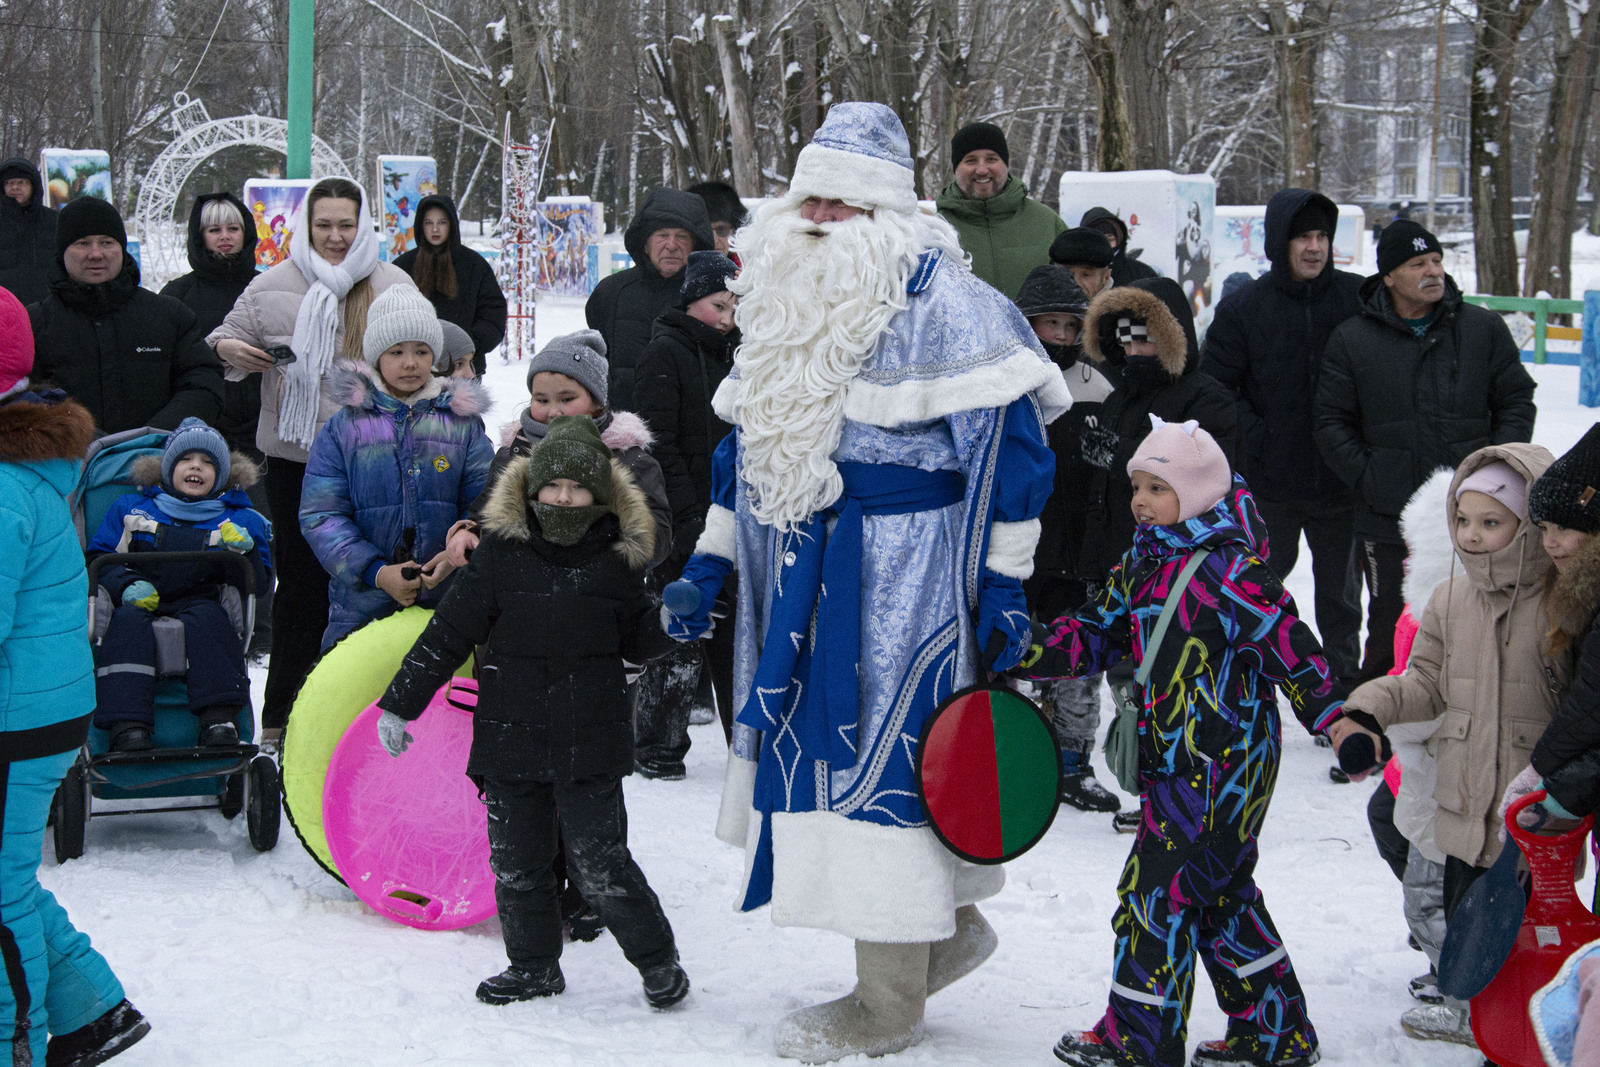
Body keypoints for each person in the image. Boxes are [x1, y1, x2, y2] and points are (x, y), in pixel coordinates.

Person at [662, 102, 1068, 1062]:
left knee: (894, 766)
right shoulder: (779, 295)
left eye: (840, 204)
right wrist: (711, 557)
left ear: (886, 210)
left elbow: (1015, 452)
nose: (818, 219)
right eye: (808, 200)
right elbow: (747, 446)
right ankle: (938, 938)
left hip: (906, 578)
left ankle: (888, 1000)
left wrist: (1006, 583)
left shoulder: (954, 304)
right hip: (799, 568)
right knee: (830, 762)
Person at [1013, 417, 1353, 1067]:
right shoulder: (1143, 562)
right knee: (1220, 896)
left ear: (1195, 494)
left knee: (1155, 896)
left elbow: (1292, 649)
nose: (1140, 501)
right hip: (1176, 763)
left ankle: (1139, 1042)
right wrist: (1025, 649)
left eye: (1157, 488)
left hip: (1224, 766)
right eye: (1137, 486)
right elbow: (1095, 633)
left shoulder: (1233, 572)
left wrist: (1337, 719)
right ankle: (1276, 1033)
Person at [375, 415, 689, 1009]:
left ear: (600, 495)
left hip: (589, 740)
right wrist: (400, 704)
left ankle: (657, 962)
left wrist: (672, 625)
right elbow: (448, 633)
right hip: (509, 737)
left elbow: (637, 639)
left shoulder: (618, 560)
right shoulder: (501, 553)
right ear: (532, 487)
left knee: (600, 865)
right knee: (518, 864)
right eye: (553, 486)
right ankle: (533, 967)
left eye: (578, 488)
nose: (563, 498)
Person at [1334, 445, 1563, 1045]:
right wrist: (1367, 709)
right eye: (1462, 520)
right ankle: (1476, 1018)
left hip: (1530, 809)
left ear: (1531, 523)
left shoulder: (1561, 604)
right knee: (1469, 923)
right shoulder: (1451, 598)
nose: (1472, 535)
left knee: (1528, 929)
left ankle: (1532, 1027)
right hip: (1463, 801)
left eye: (1491, 521)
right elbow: (1424, 683)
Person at [0, 284, 150, 1067]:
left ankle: (12, 1043)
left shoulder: (1, 486)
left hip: (15, 718)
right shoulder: (21, 468)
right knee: (7, 879)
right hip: (37, 706)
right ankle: (93, 1011)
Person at [208, 176, 413, 743]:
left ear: (363, 225)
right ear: (306, 225)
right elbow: (223, 338)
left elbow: (423, 353)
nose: (335, 236)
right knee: (301, 587)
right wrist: (231, 349)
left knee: (372, 579)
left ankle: (365, 711)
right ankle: (283, 717)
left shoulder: (391, 283)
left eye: (346, 224)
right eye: (324, 225)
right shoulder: (273, 283)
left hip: (374, 460)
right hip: (297, 460)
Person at [1315, 219, 1538, 680]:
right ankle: (1376, 718)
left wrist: (1494, 472)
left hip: (1475, 512)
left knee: (1480, 623)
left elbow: (1516, 399)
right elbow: (1330, 421)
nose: (1433, 270)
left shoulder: (1482, 328)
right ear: (1389, 276)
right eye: (1418, 263)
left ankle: (1468, 715)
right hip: (1387, 515)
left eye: (1436, 260)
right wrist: (1371, 477)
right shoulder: (1352, 339)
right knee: (1388, 628)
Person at [1202, 189, 1365, 684]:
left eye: (1322, 237)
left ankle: (1342, 688)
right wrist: (1262, 440)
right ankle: (1252, 681)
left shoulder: (1358, 299)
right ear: (1279, 243)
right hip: (1270, 485)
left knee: (1341, 600)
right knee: (1258, 593)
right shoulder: (1244, 308)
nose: (1314, 247)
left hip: (1342, 483)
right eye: (1302, 238)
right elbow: (1216, 390)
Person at [299, 285, 494, 650]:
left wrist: (458, 549)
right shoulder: (344, 428)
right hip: (362, 605)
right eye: (396, 351)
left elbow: (485, 501)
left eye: (421, 350)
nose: (410, 363)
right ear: (376, 356)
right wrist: (376, 572)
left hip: (447, 601)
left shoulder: (461, 424)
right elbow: (321, 515)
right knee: (358, 684)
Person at [85, 418, 272, 752]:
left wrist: (246, 553)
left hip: (203, 598)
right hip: (140, 597)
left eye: (208, 462)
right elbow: (100, 559)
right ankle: (127, 724)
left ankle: (219, 719)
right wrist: (126, 584)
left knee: (211, 621)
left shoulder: (238, 519)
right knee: (125, 625)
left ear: (223, 475)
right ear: (168, 468)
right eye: (186, 459)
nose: (196, 466)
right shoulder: (132, 510)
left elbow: (256, 585)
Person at [1012, 265, 1119, 813]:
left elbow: (1108, 473)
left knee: (1079, 663)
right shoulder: (1005, 377)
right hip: (1015, 547)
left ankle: (1073, 762)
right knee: (1007, 654)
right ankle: (1005, 755)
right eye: (1048, 323)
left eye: (1069, 324)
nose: (1059, 334)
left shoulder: (1096, 387)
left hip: (1076, 551)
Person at [633, 250, 742, 767]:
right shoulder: (665, 352)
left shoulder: (739, 354)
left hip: (732, 514)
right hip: (683, 517)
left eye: (735, 307)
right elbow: (659, 445)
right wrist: (687, 516)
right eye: (718, 305)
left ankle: (746, 749)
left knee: (735, 635)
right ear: (693, 300)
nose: (727, 317)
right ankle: (658, 745)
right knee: (677, 631)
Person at [28, 196, 223, 434]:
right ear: (62, 251)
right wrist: (80, 438)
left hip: (156, 453)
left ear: (121, 248)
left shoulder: (170, 316)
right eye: (82, 243)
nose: (96, 254)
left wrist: (151, 436)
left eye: (107, 242)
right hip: (69, 455)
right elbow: (21, 398)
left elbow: (202, 383)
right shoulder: (32, 325)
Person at [1501, 426, 1600, 851]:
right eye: (1543, 527)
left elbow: (1593, 701)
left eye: (1564, 526)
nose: (1550, 542)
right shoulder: (1580, 596)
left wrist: (1541, 771)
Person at [159, 194, 266, 488]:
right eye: (214, 230)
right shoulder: (178, 294)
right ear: (200, 237)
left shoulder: (266, 287)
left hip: (264, 428)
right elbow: (166, 362)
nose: (225, 237)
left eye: (233, 228)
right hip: (201, 432)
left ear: (246, 232)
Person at [584, 188, 714, 410]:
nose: (671, 245)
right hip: (624, 424)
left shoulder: (712, 295)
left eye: (682, 236)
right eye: (662, 235)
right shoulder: (611, 292)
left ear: (695, 244)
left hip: (691, 426)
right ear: (645, 243)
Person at [935, 122, 1066, 298]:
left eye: (991, 159)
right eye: (971, 160)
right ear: (956, 168)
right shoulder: (936, 229)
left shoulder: (1046, 222)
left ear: (1006, 163)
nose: (982, 170)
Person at [393, 193, 506, 376]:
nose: (435, 229)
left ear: (452, 224)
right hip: (415, 369)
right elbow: (391, 316)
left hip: (466, 369)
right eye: (428, 223)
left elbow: (493, 312)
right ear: (420, 226)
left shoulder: (474, 265)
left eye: (442, 222)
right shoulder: (403, 266)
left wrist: (468, 344)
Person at [0, 157, 58, 306]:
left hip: (46, 308)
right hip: (5, 309)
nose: (15, 187)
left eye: (22, 182)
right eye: (9, 182)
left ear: (33, 185)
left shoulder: (54, 221)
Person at [1080, 206, 1159, 286]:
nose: (1104, 245)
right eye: (1097, 241)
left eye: (1110, 240)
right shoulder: (1075, 275)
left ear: (1119, 240)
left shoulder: (1142, 274)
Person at [1049, 226, 1117, 300]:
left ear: (1106, 277)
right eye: (1067, 273)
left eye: (1086, 275)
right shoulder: (1040, 304)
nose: (1076, 283)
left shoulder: (1118, 306)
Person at [687, 180, 748, 259]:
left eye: (722, 230)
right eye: (705, 231)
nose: (714, 241)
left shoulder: (751, 265)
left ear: (735, 233)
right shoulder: (675, 265)